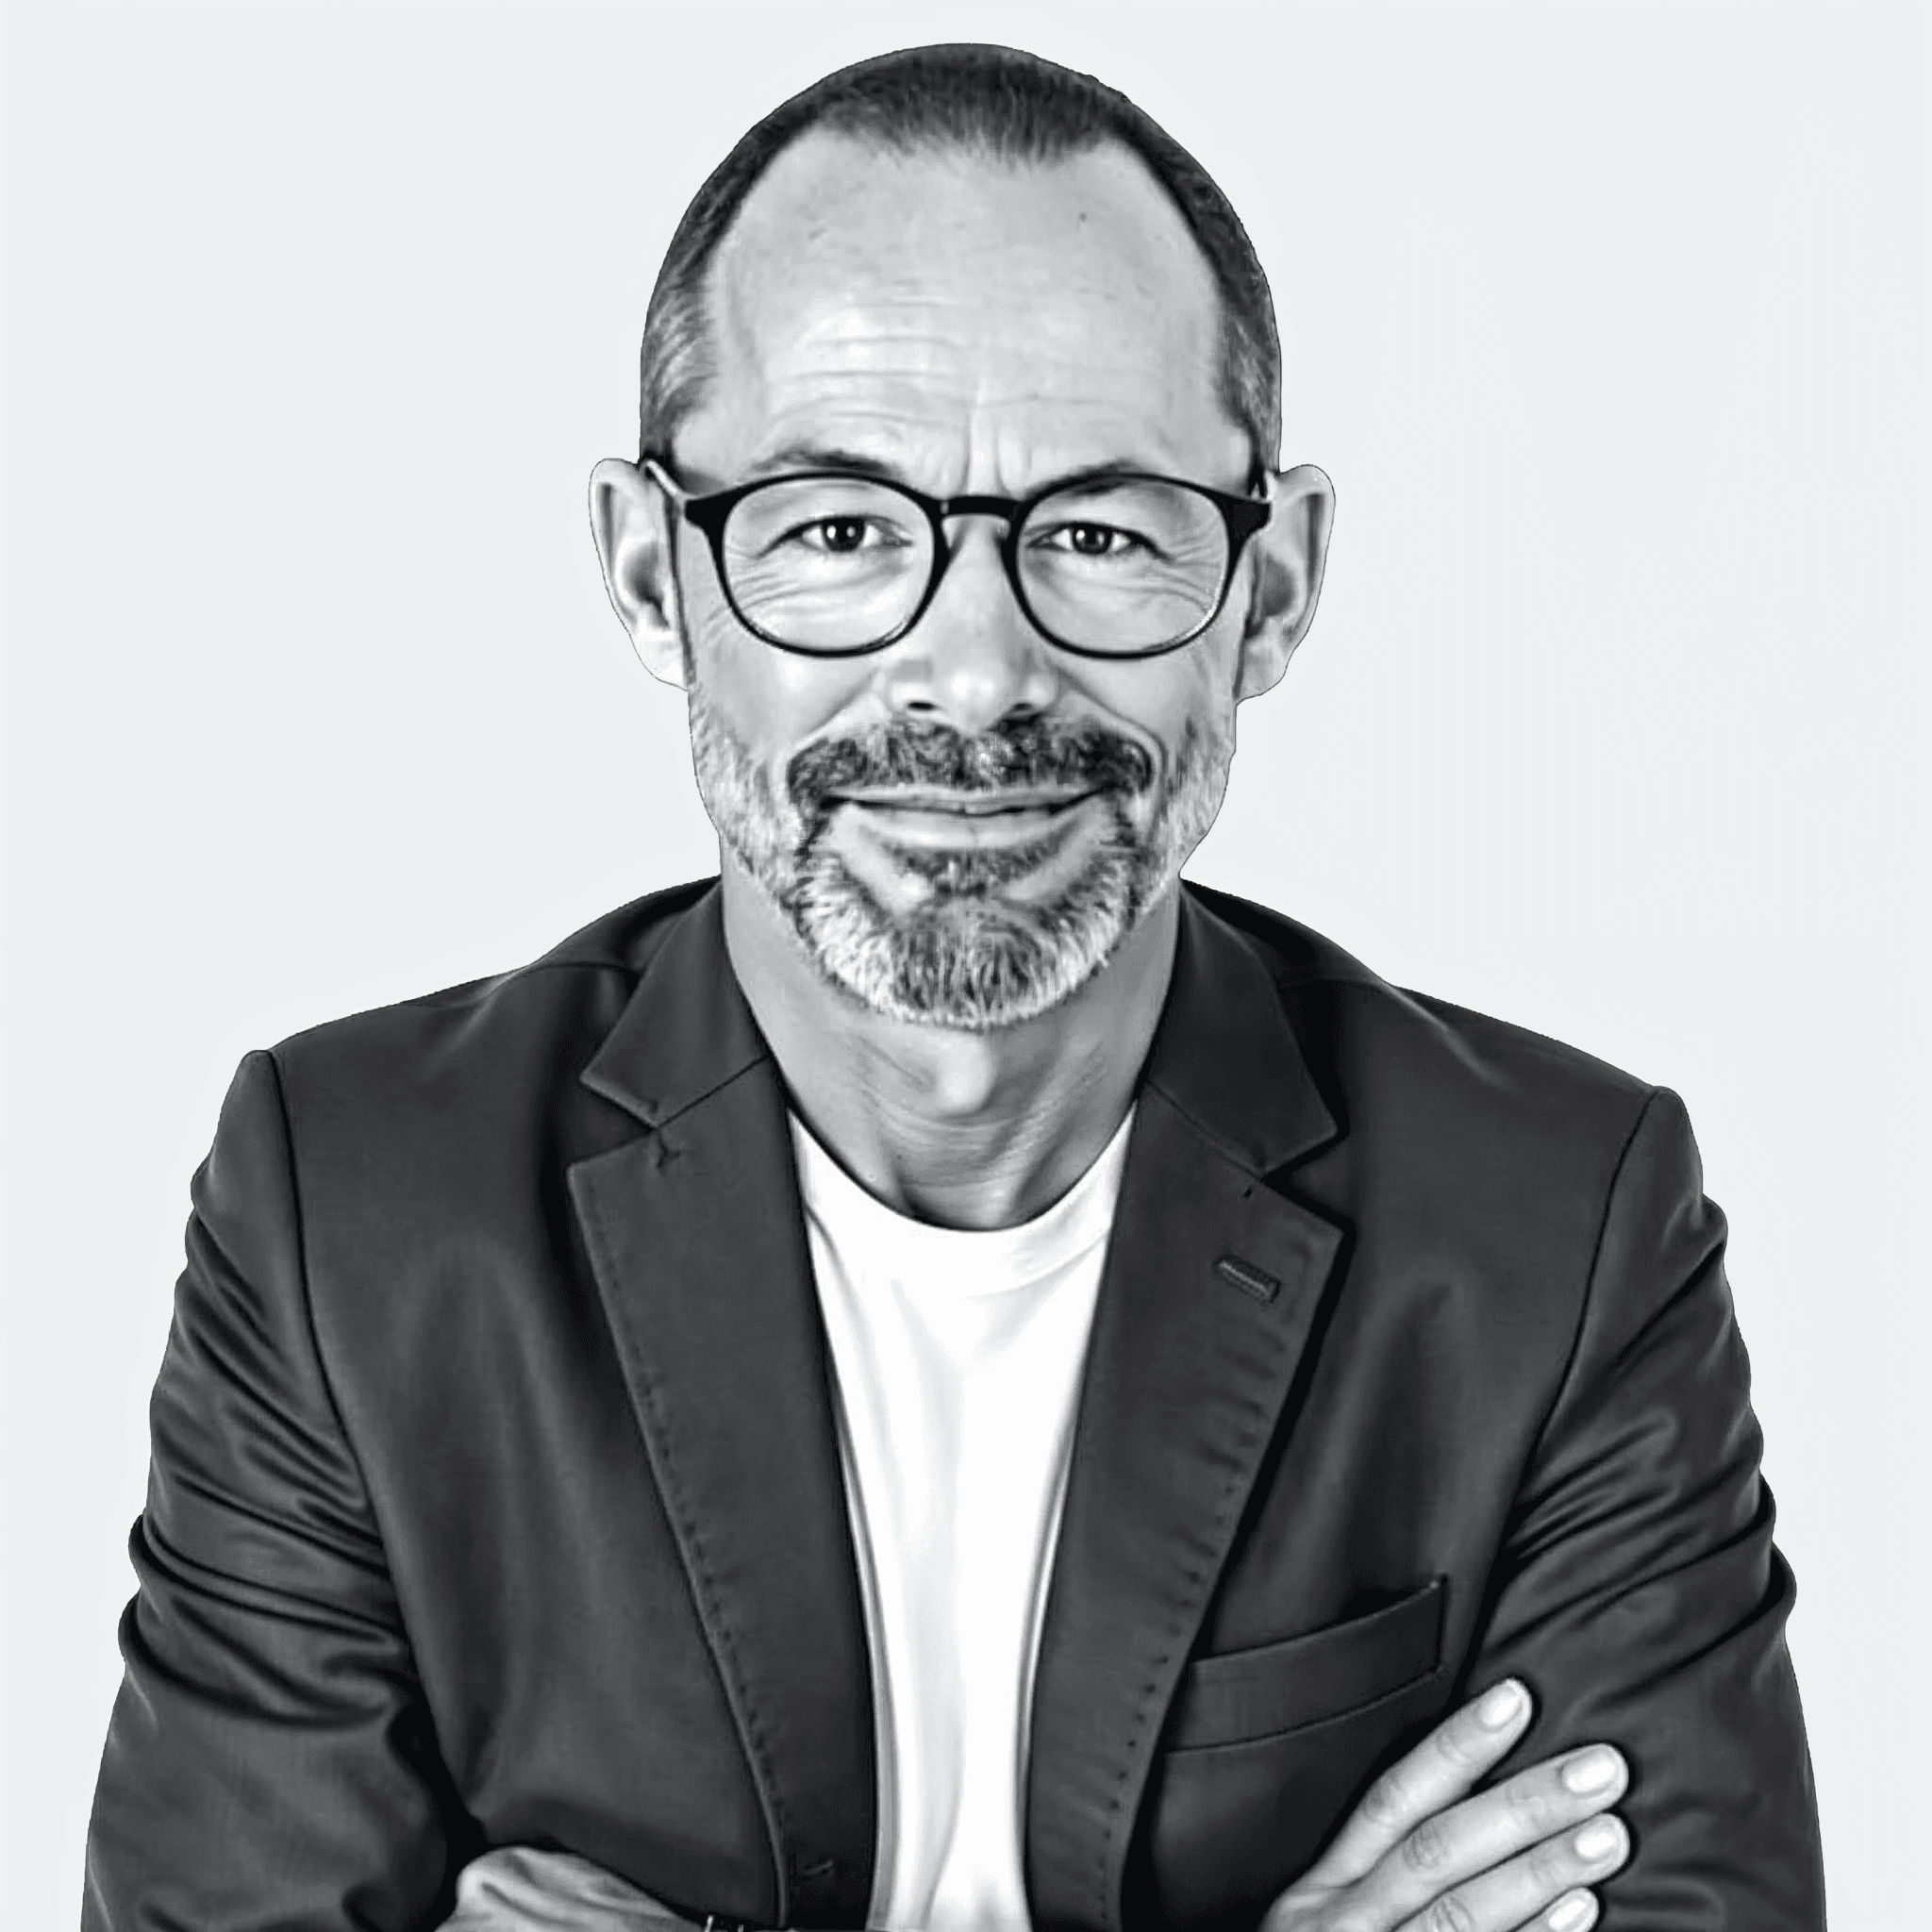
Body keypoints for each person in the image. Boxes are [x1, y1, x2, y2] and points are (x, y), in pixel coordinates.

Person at [82, 42, 1824, 1932]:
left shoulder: (1560, 1232)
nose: (978, 673)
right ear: (652, 575)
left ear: (1274, 587)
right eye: (836, 529)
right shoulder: (352, 1214)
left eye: (1100, 531)